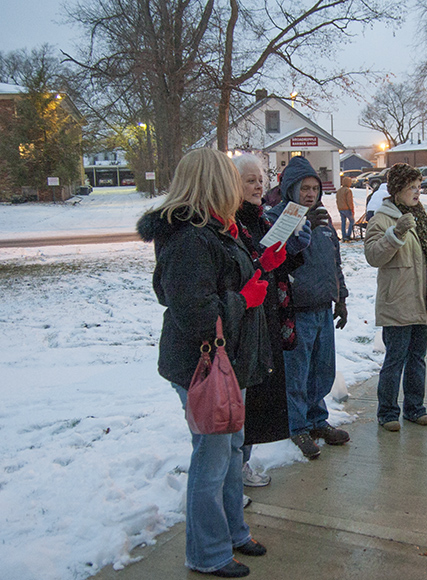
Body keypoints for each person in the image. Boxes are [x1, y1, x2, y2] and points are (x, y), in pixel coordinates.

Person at [137, 148, 284, 578]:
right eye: (229, 180)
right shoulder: (188, 238)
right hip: (202, 365)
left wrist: (261, 265)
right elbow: (196, 313)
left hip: (229, 359)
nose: (239, 189)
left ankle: (233, 532)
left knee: (231, 449)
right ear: (214, 184)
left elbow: (227, 274)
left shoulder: (218, 228)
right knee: (213, 455)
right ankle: (207, 553)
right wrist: (244, 299)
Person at [232, 153, 311, 490]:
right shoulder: (232, 222)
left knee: (256, 401)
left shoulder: (262, 218)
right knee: (242, 406)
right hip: (243, 323)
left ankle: (241, 464)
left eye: (260, 179)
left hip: (267, 318)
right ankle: (233, 473)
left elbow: (275, 267)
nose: (258, 185)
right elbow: (244, 271)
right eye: (250, 179)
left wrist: (294, 245)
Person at [266, 156, 350, 459]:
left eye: (315, 188)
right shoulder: (276, 216)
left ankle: (317, 420)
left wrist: (341, 297)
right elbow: (272, 253)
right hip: (295, 310)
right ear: (291, 189)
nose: (311, 194)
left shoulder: (324, 219)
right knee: (297, 374)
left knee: (322, 370)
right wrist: (298, 227)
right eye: (304, 188)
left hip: (322, 307)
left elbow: (334, 261)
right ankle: (297, 426)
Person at [364, 163, 427, 431]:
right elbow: (373, 256)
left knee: (417, 358)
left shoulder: (426, 215)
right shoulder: (382, 219)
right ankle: (388, 412)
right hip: (398, 302)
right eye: (410, 188)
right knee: (395, 360)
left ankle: (415, 408)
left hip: (425, 301)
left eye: (419, 187)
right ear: (396, 190)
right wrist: (396, 233)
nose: (417, 192)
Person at [336, 176, 355, 240]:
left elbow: (337, 200)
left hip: (341, 209)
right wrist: (352, 209)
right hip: (347, 208)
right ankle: (348, 235)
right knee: (352, 221)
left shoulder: (339, 191)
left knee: (343, 222)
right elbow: (349, 201)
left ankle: (344, 236)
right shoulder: (348, 191)